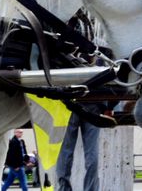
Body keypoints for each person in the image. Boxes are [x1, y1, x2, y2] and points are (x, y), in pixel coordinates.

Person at [56, 10, 103, 191]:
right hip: (72, 104)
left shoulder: (91, 30)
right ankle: (65, 188)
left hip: (89, 105)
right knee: (66, 153)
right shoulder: (77, 24)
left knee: (87, 156)